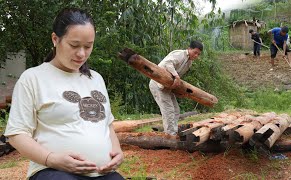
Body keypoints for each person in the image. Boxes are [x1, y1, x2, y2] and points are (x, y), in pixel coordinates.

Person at [4, 8, 124, 180]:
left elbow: (107, 124)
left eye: (88, 46)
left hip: (103, 172)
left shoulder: (95, 78)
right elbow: (16, 134)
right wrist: (51, 159)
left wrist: (117, 151)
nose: (82, 53)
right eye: (74, 45)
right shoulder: (33, 78)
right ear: (55, 39)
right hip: (54, 173)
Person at [149, 40, 203, 136]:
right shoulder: (180, 54)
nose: (196, 56)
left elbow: (175, 79)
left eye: (198, 54)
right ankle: (170, 135)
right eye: (195, 52)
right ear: (189, 49)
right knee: (169, 110)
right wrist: (176, 76)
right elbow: (167, 63)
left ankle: (173, 132)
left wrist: (178, 91)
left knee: (176, 110)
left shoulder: (189, 63)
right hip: (157, 84)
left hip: (167, 87)